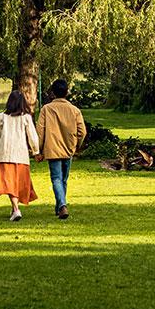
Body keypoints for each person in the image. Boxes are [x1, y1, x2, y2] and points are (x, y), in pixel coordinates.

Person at [35, 78, 88, 219]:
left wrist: (38, 150)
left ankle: (62, 205)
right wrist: (77, 145)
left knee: (56, 179)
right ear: (67, 92)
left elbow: (40, 131)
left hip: (52, 149)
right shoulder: (74, 110)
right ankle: (60, 206)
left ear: (53, 92)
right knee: (63, 179)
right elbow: (82, 132)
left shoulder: (46, 109)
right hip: (68, 148)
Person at [0, 90, 40, 221]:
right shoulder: (26, 117)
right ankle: (15, 208)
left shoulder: (1, 117)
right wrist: (36, 151)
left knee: (8, 183)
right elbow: (32, 136)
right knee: (17, 183)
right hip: (21, 154)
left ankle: (16, 209)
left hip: (5, 153)